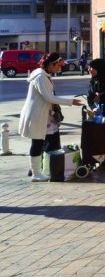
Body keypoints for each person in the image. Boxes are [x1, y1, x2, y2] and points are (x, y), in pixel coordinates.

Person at [18, 53, 83, 182]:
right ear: (51, 64)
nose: (59, 68)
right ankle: (36, 173)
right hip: (37, 114)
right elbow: (48, 97)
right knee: (37, 143)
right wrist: (70, 101)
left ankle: (45, 168)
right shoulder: (40, 77)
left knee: (50, 141)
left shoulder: (45, 75)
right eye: (58, 66)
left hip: (45, 115)